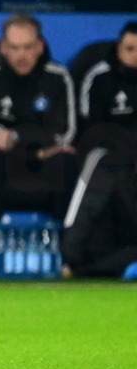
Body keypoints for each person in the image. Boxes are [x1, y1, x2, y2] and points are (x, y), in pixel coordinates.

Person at [0, 13, 78, 263]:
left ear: (40, 47)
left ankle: (62, 251)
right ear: (3, 48)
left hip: (43, 163)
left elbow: (65, 132)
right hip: (5, 161)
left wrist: (17, 138)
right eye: (14, 48)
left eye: (28, 47)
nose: (22, 55)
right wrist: (38, 147)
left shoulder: (58, 77)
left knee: (66, 163)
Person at [62, 20, 137, 279]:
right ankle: (70, 257)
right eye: (130, 48)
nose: (135, 56)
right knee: (103, 167)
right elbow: (92, 129)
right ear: (119, 48)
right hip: (108, 155)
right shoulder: (99, 77)